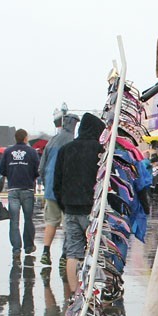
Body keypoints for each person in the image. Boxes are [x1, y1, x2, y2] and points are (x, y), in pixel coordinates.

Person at [53, 113, 104, 290]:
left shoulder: (65, 149)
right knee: (96, 252)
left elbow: (57, 182)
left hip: (70, 208)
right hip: (94, 210)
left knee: (73, 253)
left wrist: (64, 204)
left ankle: (74, 293)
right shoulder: (101, 150)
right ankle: (92, 291)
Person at [39, 112, 79, 271]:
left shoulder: (51, 141)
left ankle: (46, 251)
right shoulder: (73, 142)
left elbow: (41, 167)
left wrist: (46, 183)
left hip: (50, 188)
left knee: (51, 221)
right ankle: (64, 256)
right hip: (67, 190)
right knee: (68, 224)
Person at [0, 128, 40, 260]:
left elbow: (2, 170)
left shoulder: (8, 151)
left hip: (13, 189)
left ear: (15, 138)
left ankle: (16, 249)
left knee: (14, 221)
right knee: (28, 219)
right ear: (26, 138)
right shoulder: (32, 152)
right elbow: (37, 170)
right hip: (28, 189)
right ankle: (29, 246)